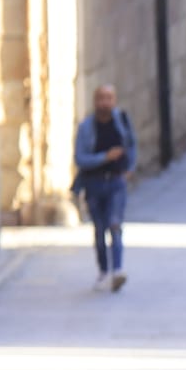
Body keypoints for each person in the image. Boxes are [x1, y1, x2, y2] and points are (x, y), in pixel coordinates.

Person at [72, 84, 138, 293]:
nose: (105, 102)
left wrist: (129, 167)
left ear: (114, 100)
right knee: (100, 230)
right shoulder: (86, 128)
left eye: (109, 98)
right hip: (94, 183)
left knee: (115, 224)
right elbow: (80, 158)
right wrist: (104, 157)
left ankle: (117, 269)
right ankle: (103, 270)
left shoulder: (122, 122)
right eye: (101, 98)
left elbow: (132, 145)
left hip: (116, 182)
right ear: (95, 101)